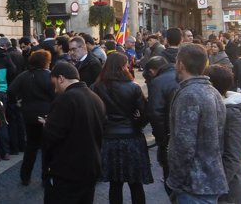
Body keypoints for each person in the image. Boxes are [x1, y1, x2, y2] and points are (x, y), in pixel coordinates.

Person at [167, 44, 228, 203]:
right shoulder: (212, 91)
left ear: (180, 64)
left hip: (195, 184)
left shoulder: (189, 94)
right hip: (209, 178)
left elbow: (184, 145)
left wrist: (176, 179)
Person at [91, 53, 152, 204]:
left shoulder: (97, 87)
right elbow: (145, 114)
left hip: (110, 138)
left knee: (115, 184)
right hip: (132, 138)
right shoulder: (133, 87)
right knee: (136, 183)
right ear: (123, 66)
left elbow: (94, 114)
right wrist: (136, 124)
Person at [42, 61, 105, 204]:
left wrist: (48, 125)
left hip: (67, 172)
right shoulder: (95, 97)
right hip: (90, 168)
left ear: (61, 78)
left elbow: (51, 138)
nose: (54, 89)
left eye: (54, 83)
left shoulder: (65, 99)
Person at [9, 50, 55, 186]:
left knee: (31, 146)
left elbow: (11, 90)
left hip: (29, 114)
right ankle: (45, 178)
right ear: (46, 62)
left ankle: (25, 176)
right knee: (47, 148)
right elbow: (56, 94)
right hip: (47, 115)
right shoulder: (50, 76)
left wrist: (17, 102)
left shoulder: (24, 75)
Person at [206, 65, 241, 204]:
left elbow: (233, 157)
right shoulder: (215, 106)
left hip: (226, 190)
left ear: (211, 85)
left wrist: (215, 186)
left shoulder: (232, 114)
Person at [143, 55, 178, 195]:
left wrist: (161, 139)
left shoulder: (158, 82)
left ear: (152, 71)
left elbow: (155, 113)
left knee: (170, 178)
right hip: (182, 132)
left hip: (169, 136)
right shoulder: (180, 75)